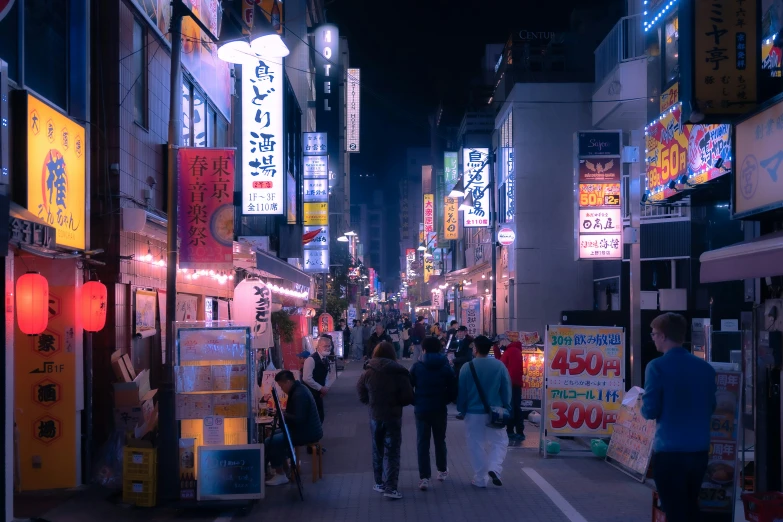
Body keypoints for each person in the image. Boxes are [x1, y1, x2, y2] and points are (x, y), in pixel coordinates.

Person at [641, 313, 716, 522]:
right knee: (690, 506)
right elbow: (711, 407)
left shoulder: (656, 367)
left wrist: (642, 402)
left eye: (654, 334)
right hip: (699, 451)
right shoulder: (706, 369)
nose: (653, 338)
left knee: (674, 509)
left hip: (670, 452)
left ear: (663, 336)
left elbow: (650, 410)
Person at [356, 342, 414, 500]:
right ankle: (391, 487)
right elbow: (408, 396)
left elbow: (361, 392)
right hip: (393, 416)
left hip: (375, 415)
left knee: (377, 449)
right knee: (392, 451)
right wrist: (397, 402)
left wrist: (370, 401)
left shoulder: (368, 372)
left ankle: (379, 483)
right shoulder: (399, 372)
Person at [457, 335, 512, 488]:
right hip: (496, 412)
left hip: (473, 413)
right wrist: (507, 407)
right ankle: (494, 468)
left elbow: (462, 392)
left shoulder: (467, 367)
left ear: (475, 349)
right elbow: (506, 389)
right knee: (500, 442)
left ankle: (480, 479)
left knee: (476, 445)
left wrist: (462, 409)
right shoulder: (499, 366)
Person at [409, 337, 457, 491]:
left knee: (422, 442)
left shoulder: (417, 366)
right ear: (438, 349)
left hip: (422, 409)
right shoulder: (445, 366)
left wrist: (415, 401)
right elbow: (453, 387)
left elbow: (408, 386)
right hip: (439, 408)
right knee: (439, 440)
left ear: (423, 349)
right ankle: (442, 470)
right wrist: (446, 400)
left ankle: (424, 478)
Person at [264, 370, 323, 486]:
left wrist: (283, 414)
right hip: (306, 429)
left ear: (288, 382)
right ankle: (285, 469)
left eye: (281, 386)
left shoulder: (299, 394)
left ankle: (280, 474)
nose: (281, 389)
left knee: (271, 441)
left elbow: (298, 419)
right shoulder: (299, 390)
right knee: (273, 434)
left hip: (307, 432)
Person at [499, 340, 526, 444]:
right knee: (515, 407)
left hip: (510, 384)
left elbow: (503, 365)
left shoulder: (511, 351)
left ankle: (512, 431)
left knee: (511, 407)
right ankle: (517, 431)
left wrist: (507, 383)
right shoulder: (514, 351)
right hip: (515, 384)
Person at [303, 335, 333, 424]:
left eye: (329, 346)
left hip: (319, 392)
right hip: (310, 393)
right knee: (314, 417)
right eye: (325, 346)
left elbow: (326, 375)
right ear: (318, 346)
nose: (327, 348)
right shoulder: (311, 359)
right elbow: (306, 378)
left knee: (320, 416)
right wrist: (320, 388)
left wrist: (325, 387)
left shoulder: (325, 359)